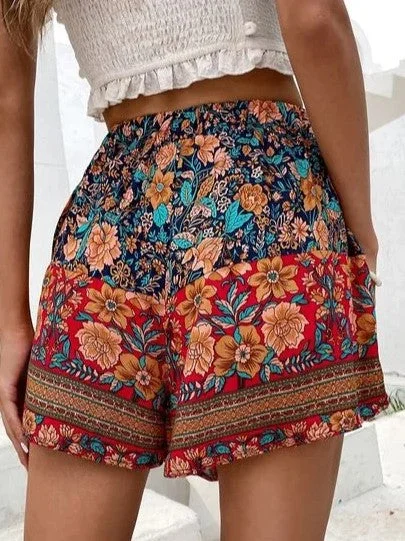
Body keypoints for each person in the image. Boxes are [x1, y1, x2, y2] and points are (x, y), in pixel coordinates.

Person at [0, 1, 390, 540]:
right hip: (264, 199)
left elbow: (5, 100)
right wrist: (362, 231)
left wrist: (10, 324)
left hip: (111, 222)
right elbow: (314, 18)